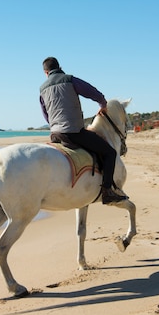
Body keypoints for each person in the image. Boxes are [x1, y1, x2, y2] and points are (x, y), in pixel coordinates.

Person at [39, 56, 128, 205]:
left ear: (46, 73)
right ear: (59, 67)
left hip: (55, 134)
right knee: (110, 153)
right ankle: (107, 191)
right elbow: (93, 92)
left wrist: (55, 125)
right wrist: (103, 104)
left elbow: (45, 114)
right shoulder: (69, 80)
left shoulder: (42, 89)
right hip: (74, 132)